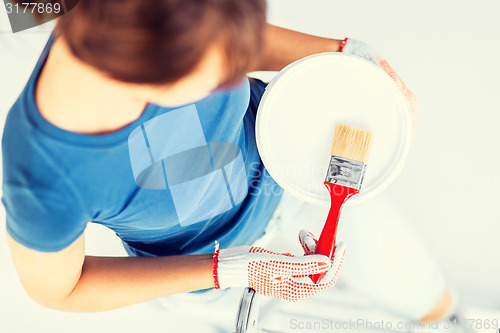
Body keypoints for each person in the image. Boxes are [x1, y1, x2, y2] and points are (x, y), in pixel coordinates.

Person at [2, 0, 453, 327]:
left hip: (303, 175)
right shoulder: (42, 180)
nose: (240, 64)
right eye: (223, 70)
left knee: (426, 293)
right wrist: (233, 270)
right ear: (150, 80)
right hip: (210, 269)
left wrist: (345, 54)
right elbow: (62, 287)